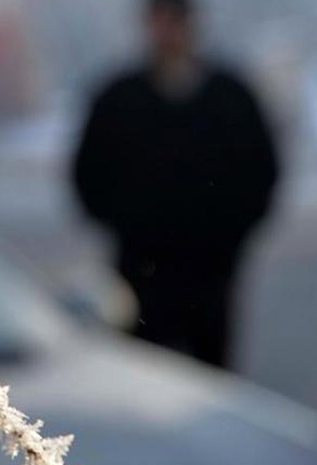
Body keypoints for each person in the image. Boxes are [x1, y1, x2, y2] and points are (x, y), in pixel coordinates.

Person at [72, 0, 278, 368]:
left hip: (210, 274)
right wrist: (126, 225)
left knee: (212, 379)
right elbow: (88, 174)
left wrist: (230, 238)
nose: (167, 33)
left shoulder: (230, 99)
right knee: (147, 378)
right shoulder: (119, 100)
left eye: (175, 21)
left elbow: (261, 173)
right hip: (141, 274)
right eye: (159, 21)